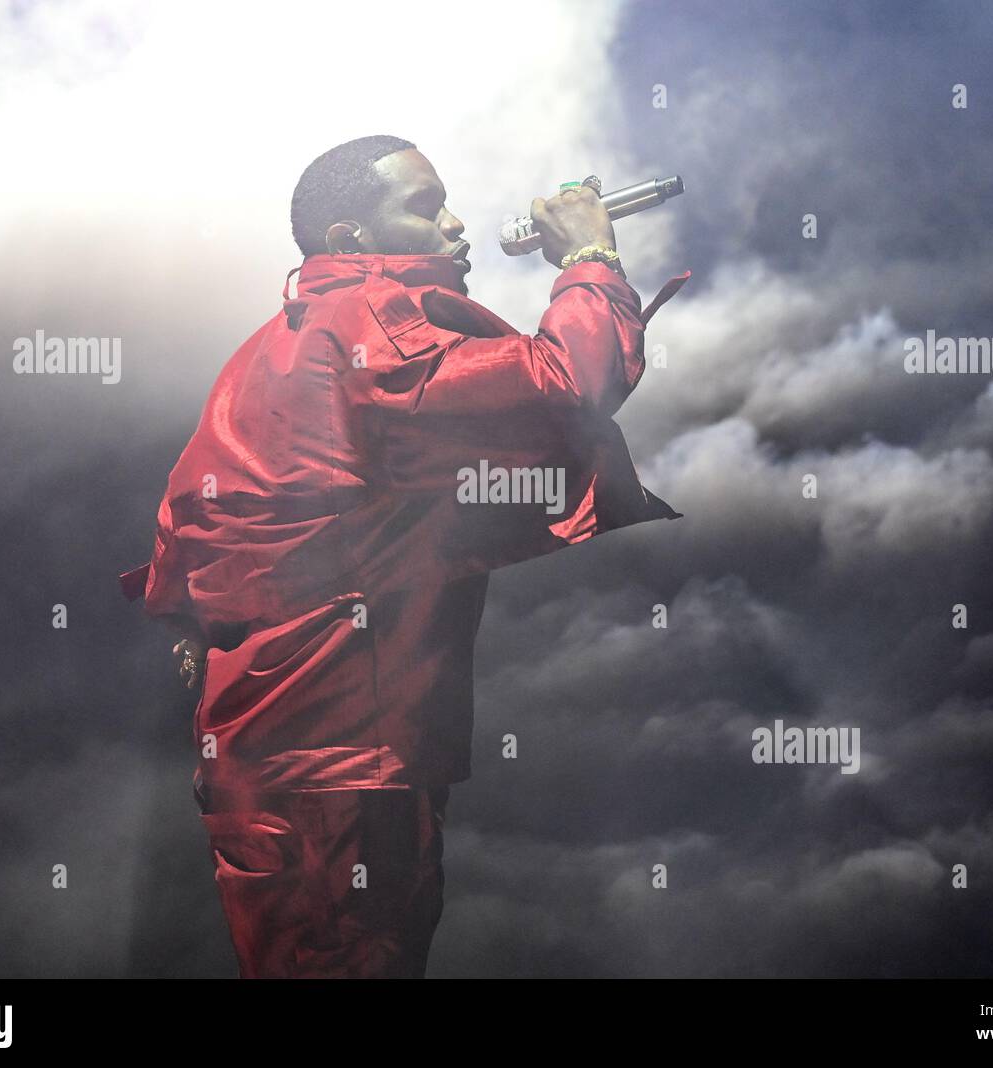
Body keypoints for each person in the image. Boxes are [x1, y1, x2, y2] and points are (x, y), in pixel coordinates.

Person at [119, 134, 690, 977]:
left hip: (267, 759)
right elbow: (564, 385)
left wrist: (197, 629)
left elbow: (195, 516)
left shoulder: (268, 349)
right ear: (350, 239)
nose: (457, 227)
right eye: (426, 209)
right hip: (348, 764)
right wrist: (591, 256)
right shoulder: (365, 322)